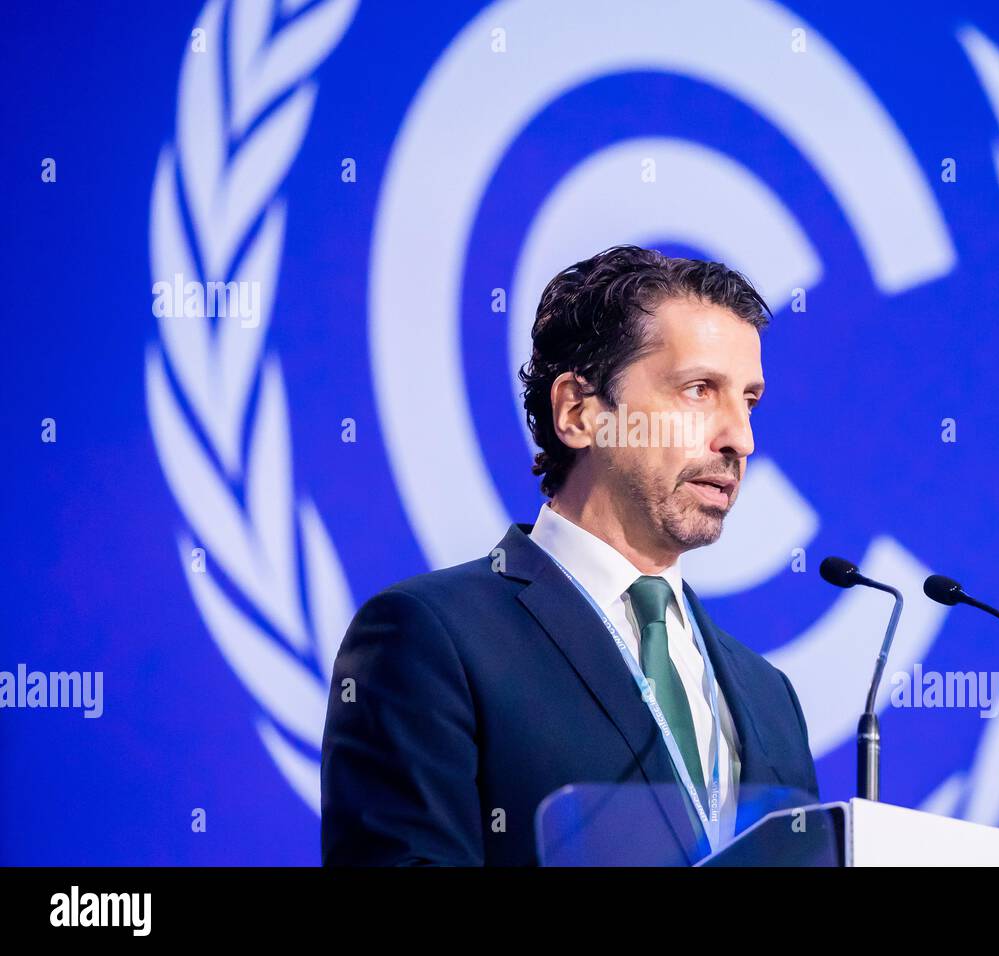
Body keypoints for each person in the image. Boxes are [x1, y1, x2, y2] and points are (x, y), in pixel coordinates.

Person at [321, 244, 819, 865]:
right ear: (580, 414)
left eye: (748, 400)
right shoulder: (429, 641)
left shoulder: (770, 697)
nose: (740, 439)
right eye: (698, 391)